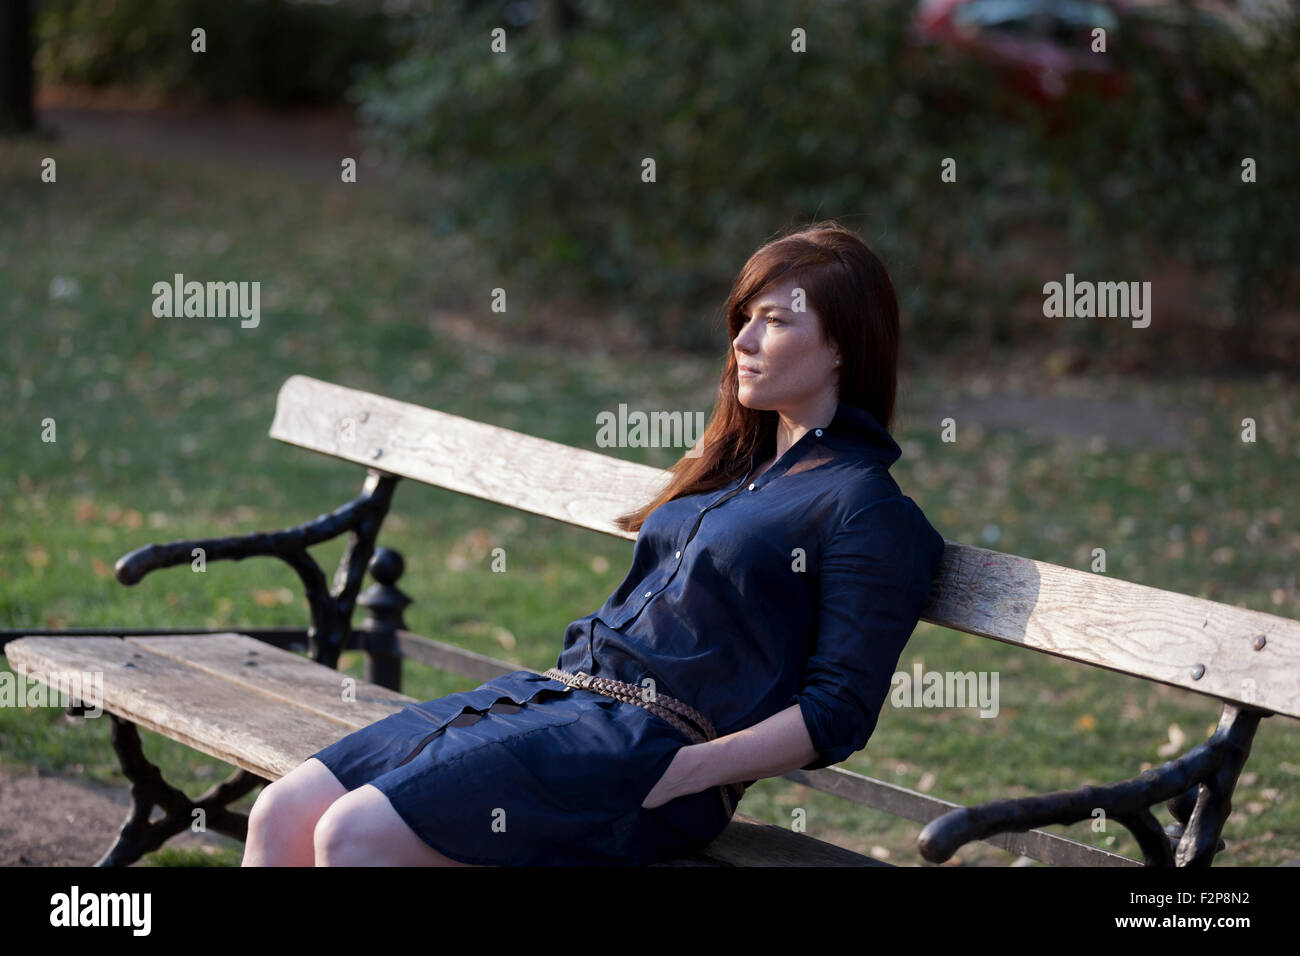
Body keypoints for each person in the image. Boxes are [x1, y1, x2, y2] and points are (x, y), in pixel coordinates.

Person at [242, 220, 947, 867]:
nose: (743, 341)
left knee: (351, 834)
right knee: (281, 814)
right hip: (554, 701)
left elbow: (837, 714)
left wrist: (689, 771)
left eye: (777, 321)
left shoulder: (865, 508)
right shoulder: (734, 466)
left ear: (841, 350)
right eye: (743, 319)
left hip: (648, 751)